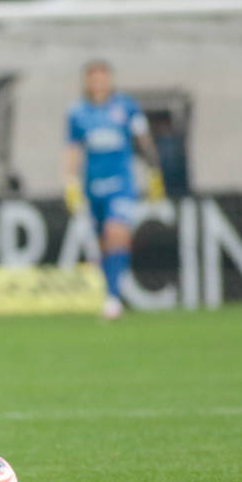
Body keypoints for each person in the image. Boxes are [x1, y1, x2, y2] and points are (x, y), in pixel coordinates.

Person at [64, 59, 163, 319]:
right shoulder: (77, 113)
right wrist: (70, 182)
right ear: (87, 82)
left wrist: (153, 171)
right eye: (93, 78)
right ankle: (110, 291)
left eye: (103, 78)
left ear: (109, 80)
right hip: (92, 187)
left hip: (121, 184)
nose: (98, 83)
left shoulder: (126, 107)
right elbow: (72, 149)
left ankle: (112, 299)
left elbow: (143, 139)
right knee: (103, 243)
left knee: (116, 232)